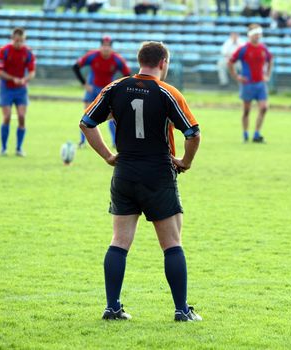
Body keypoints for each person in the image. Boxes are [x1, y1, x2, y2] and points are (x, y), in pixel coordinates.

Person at [79, 41, 202, 322]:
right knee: (172, 243)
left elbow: (86, 123)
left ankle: (112, 307)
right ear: (163, 63)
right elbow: (193, 133)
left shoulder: (115, 88)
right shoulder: (167, 92)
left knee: (119, 242)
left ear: (139, 61)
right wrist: (186, 161)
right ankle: (182, 310)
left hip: (124, 173)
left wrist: (109, 156)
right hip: (158, 173)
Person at [73, 36, 131, 148]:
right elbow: (76, 67)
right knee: (87, 115)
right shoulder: (92, 56)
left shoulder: (117, 59)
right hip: (92, 89)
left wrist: (119, 88)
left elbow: (127, 75)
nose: (106, 48)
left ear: (111, 48)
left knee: (113, 116)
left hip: (108, 90)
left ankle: (115, 142)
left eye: (108, 46)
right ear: (100, 47)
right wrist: (84, 83)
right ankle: (82, 142)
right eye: (104, 46)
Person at [228, 24, 273, 143]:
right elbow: (230, 61)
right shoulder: (244, 49)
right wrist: (237, 76)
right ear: (250, 35)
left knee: (263, 108)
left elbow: (270, 59)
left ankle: (257, 134)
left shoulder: (263, 49)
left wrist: (267, 74)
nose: (258, 36)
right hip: (247, 84)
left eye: (259, 34)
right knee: (246, 111)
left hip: (260, 84)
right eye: (255, 34)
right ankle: (245, 134)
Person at [0, 28, 36, 157]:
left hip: (21, 89)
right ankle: (3, 148)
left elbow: (31, 72)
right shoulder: (4, 51)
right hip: (6, 88)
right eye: (17, 41)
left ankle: (19, 148)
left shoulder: (28, 53)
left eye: (22, 41)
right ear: (12, 39)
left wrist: (25, 79)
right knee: (6, 117)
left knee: (21, 117)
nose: (19, 43)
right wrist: (13, 79)